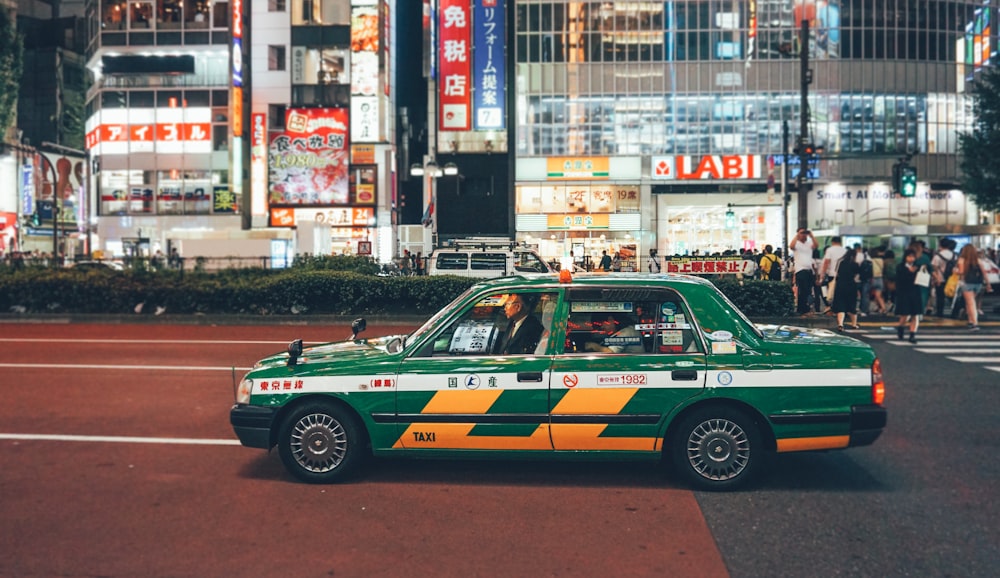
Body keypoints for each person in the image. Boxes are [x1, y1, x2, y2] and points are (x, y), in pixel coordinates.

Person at [954, 244, 993, 330]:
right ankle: (970, 321)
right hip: (977, 283)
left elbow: (961, 272)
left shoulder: (962, 260)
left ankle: (975, 323)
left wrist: (955, 271)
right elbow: (984, 273)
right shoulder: (978, 260)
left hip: (966, 283)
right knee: (970, 302)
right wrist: (988, 284)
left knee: (971, 303)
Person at [893, 249, 923, 343]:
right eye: (909, 256)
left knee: (915, 314)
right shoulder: (900, 267)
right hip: (904, 293)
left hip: (915, 292)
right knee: (904, 314)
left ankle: (912, 334)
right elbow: (899, 280)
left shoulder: (918, 267)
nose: (911, 259)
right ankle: (901, 328)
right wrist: (909, 272)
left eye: (913, 257)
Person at [831, 246, 860, 331]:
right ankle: (854, 324)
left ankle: (840, 324)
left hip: (840, 285)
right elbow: (857, 276)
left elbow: (837, 274)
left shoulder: (841, 262)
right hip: (851, 285)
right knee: (852, 305)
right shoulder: (855, 264)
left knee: (841, 305)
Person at [790, 228, 818, 315]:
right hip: (800, 269)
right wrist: (797, 235)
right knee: (802, 290)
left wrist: (811, 235)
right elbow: (791, 246)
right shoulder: (797, 244)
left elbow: (816, 246)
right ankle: (802, 309)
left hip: (809, 269)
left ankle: (806, 308)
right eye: (802, 233)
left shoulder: (809, 244)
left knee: (808, 290)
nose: (804, 235)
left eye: (805, 233)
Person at [818, 236, 846, 313]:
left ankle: (831, 307)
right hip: (842, 275)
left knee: (830, 292)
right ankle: (839, 309)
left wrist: (822, 275)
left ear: (832, 242)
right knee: (839, 293)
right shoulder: (845, 250)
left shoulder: (830, 250)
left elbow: (826, 262)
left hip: (832, 274)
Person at [930, 238, 957, 317]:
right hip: (952, 279)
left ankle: (939, 312)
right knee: (951, 296)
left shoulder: (938, 256)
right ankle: (954, 313)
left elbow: (934, 268)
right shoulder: (954, 255)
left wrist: (936, 278)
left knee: (940, 297)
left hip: (940, 279)